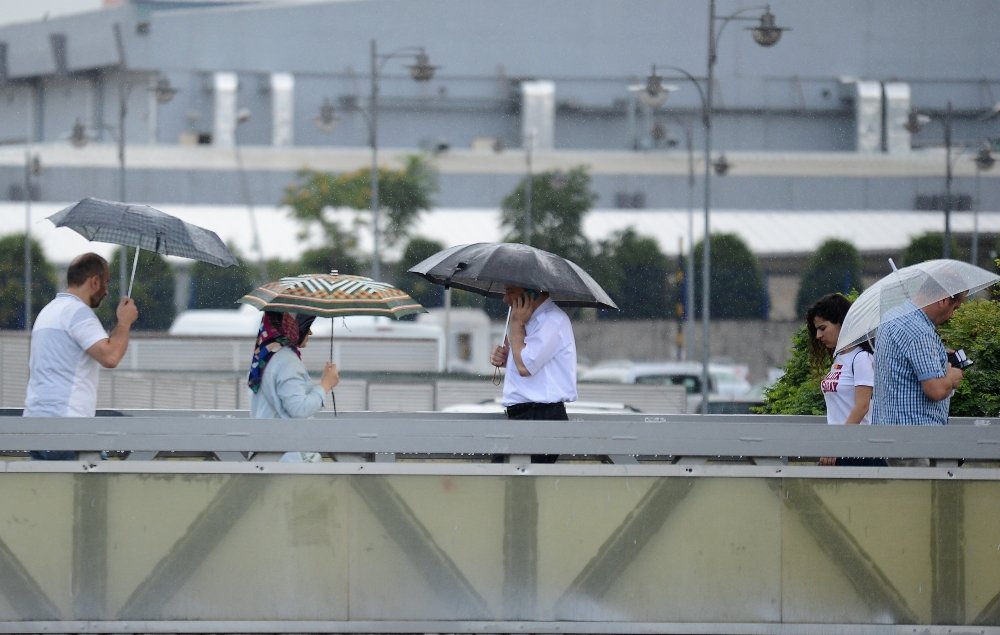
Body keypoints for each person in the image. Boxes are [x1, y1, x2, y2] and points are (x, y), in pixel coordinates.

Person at [24, 252, 139, 460]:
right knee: (100, 489)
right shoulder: (77, 313)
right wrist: (124, 322)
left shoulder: (49, 311)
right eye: (106, 283)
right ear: (94, 282)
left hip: (36, 427)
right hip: (66, 430)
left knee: (51, 493)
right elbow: (111, 357)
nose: (106, 291)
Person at [490, 286, 577, 463]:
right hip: (528, 414)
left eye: (510, 291)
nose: (505, 298)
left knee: (508, 482)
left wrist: (516, 325)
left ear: (530, 292)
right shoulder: (533, 320)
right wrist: (508, 359)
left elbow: (525, 367)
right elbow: (531, 364)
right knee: (508, 483)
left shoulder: (552, 320)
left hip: (540, 414)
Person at [870, 283, 966, 428]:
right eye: (954, 308)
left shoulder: (890, 317)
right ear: (943, 300)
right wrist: (951, 378)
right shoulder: (920, 331)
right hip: (918, 437)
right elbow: (936, 390)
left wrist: (937, 355)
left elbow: (902, 364)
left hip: (887, 429)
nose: (952, 315)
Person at [248, 311, 340, 462]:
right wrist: (325, 385)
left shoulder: (265, 357)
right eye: (307, 325)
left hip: (266, 454)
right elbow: (299, 409)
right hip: (289, 460)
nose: (310, 331)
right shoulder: (287, 362)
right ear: (293, 326)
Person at [805, 293, 883, 467]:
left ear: (842, 323)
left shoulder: (862, 358)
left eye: (823, 328)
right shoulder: (839, 357)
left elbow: (862, 406)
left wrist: (837, 444)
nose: (818, 335)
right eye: (816, 329)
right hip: (841, 450)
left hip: (859, 451)